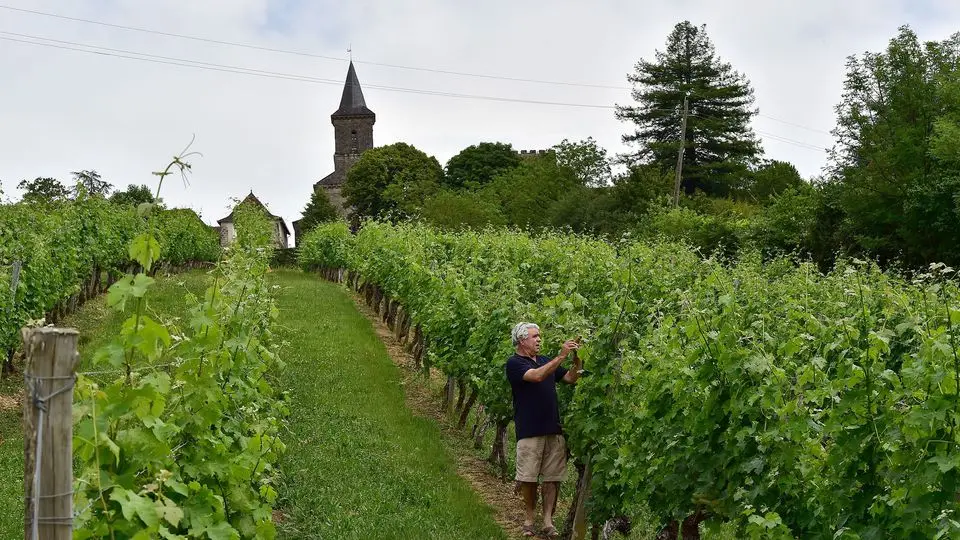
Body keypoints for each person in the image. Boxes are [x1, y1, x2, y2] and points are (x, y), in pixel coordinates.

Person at [505, 322, 582, 538]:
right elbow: (537, 376)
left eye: (539, 336)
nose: (539, 339)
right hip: (529, 430)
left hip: (553, 429)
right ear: (522, 341)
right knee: (528, 478)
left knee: (552, 478)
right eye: (535, 336)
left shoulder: (545, 361)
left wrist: (576, 360)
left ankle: (548, 521)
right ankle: (529, 518)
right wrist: (561, 357)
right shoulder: (514, 363)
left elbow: (570, 378)